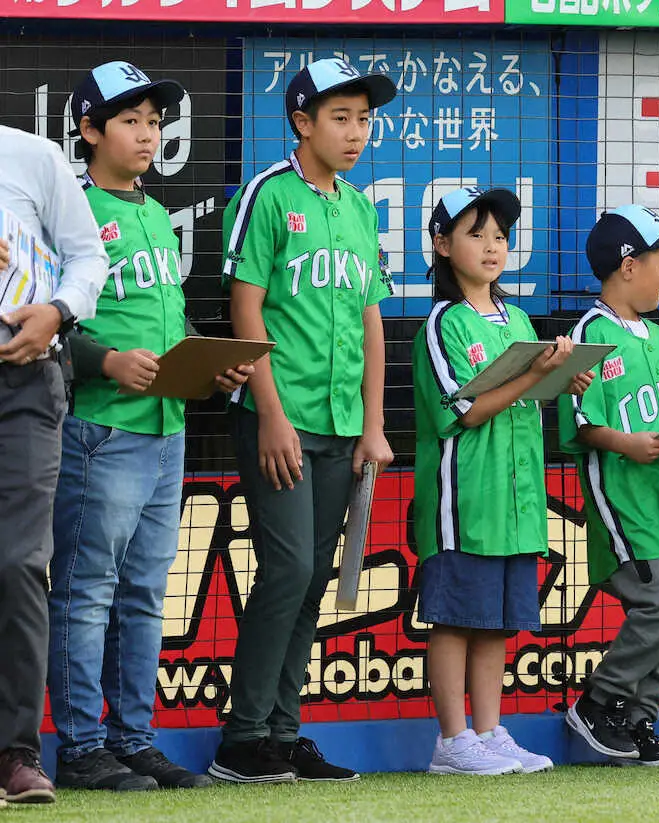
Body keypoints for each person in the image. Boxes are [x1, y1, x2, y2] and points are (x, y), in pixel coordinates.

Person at [46, 62, 253, 793]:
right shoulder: (66, 208)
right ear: (89, 129)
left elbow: (166, 317)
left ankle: (133, 740)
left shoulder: (156, 214)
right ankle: (80, 747)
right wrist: (105, 360)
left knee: (142, 595)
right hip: (99, 428)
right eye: (130, 120)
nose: (147, 133)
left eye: (155, 122)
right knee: (86, 594)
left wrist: (209, 360)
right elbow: (37, 320)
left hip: (166, 430)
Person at [209, 58, 396, 784]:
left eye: (363, 119)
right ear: (301, 122)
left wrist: (374, 424)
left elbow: (371, 320)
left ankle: (282, 734)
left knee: (314, 575)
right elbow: (245, 308)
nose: (356, 132)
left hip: (344, 424)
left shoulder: (360, 207)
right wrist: (270, 414)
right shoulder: (266, 192)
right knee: (287, 567)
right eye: (340, 118)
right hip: (279, 417)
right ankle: (242, 738)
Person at [412, 186, 591, 776]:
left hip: (517, 503)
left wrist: (562, 380)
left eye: (500, 236)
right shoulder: (444, 321)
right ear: (442, 245)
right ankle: (451, 741)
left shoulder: (517, 319)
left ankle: (488, 733)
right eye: (476, 234)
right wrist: (535, 376)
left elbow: (521, 397)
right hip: (466, 502)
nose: (493, 246)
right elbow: (465, 411)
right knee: (455, 620)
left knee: (496, 623)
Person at [559, 204, 659, 767]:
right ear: (629, 265)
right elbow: (580, 423)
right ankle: (598, 702)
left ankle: (638, 720)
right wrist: (624, 442)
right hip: (627, 499)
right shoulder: (589, 332)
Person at [0, 125, 109, 805]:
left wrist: (59, 311)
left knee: (18, 563)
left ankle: (15, 752)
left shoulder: (32, 155)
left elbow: (88, 257)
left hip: (26, 382)